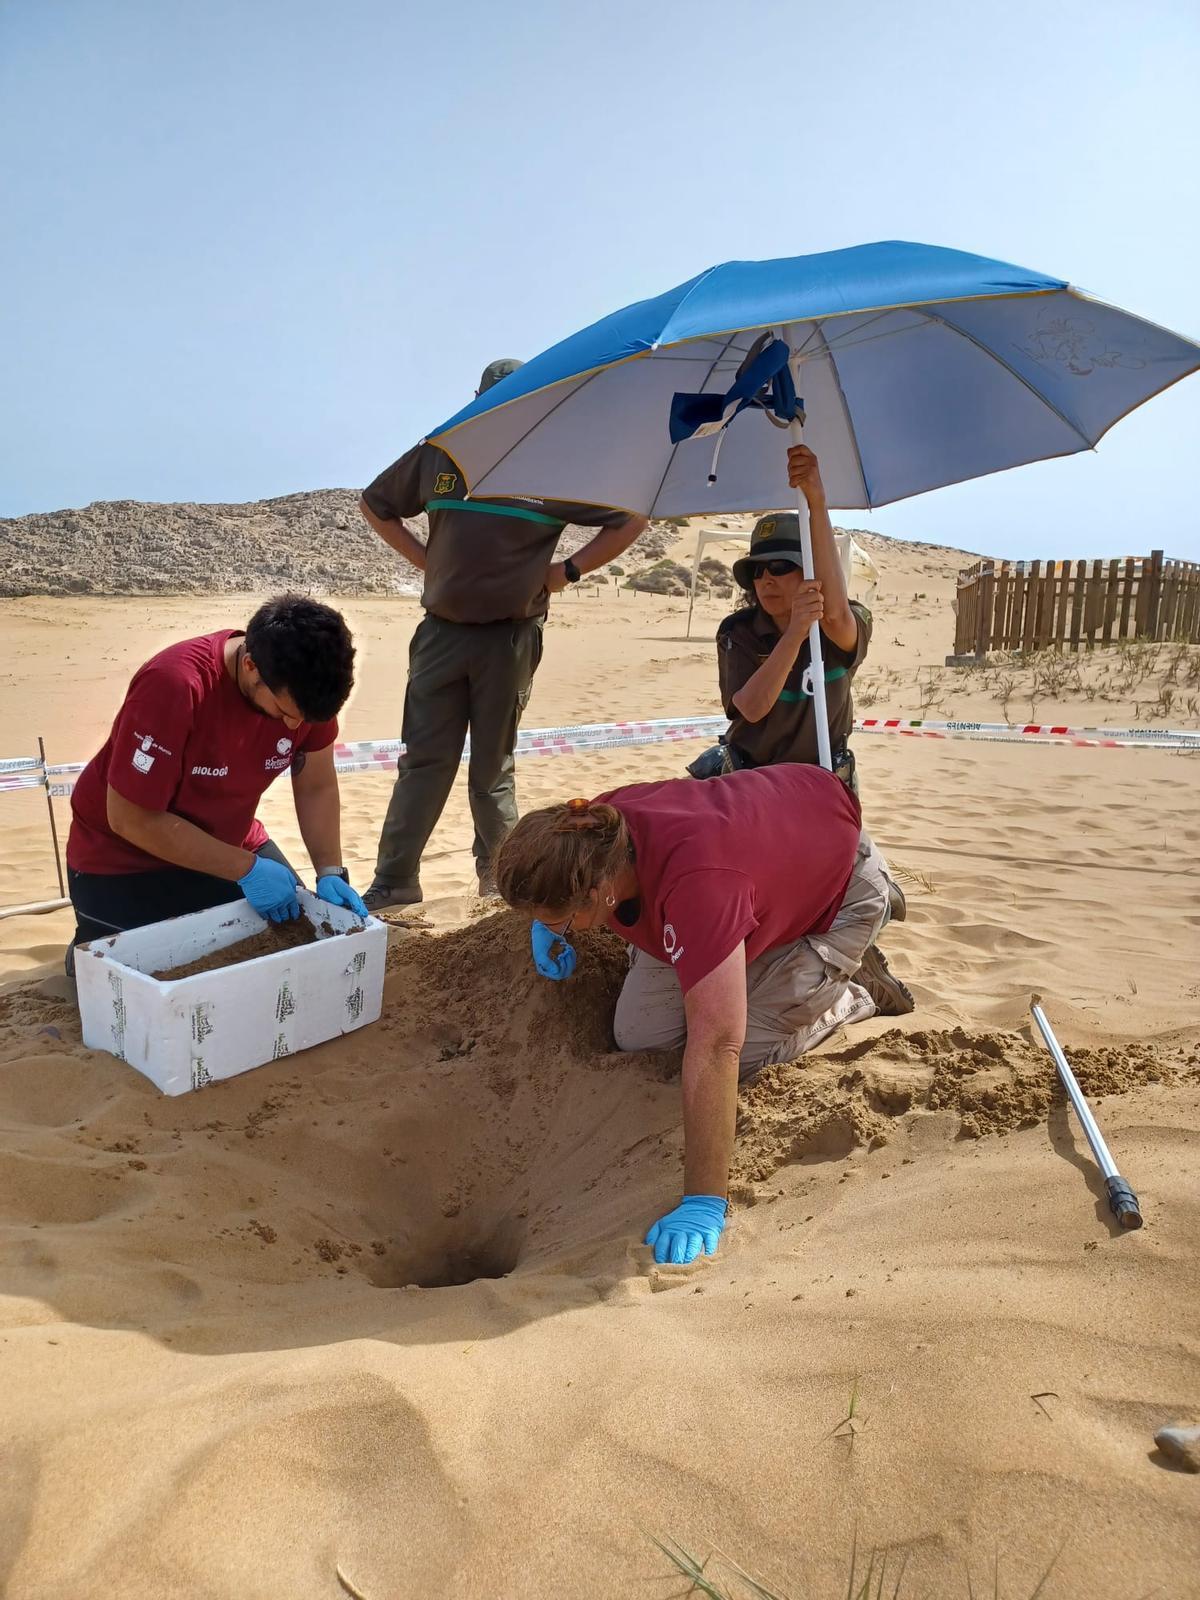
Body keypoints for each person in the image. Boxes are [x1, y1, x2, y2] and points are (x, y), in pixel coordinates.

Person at [493, 764, 912, 1265]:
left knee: (748, 1051)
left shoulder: (700, 889)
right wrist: (550, 925)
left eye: (560, 919)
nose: (555, 928)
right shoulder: (587, 828)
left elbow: (718, 1047)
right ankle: (764, 940)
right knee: (639, 1037)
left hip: (838, 885)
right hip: (760, 861)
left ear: (600, 891)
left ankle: (853, 990)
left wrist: (703, 1199)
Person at [358, 357, 648, 910]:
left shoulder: (556, 466)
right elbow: (375, 505)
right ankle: (395, 882)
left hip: (509, 640)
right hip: (441, 636)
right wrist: (427, 562)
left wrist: (568, 572)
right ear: (477, 398)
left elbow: (631, 518)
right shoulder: (438, 454)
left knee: (493, 770)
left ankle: (501, 881)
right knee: (423, 763)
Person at [698, 441, 913, 1015]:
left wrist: (817, 502)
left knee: (842, 890)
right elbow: (751, 706)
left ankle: (865, 963)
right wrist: (793, 632)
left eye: (783, 567)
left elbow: (839, 619)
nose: (767, 580)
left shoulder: (843, 626)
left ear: (811, 572)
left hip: (821, 785)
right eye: (758, 571)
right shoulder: (739, 632)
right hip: (751, 783)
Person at [66, 594, 366, 960]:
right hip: (123, 857)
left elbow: (315, 784)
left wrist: (329, 870)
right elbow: (131, 818)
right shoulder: (174, 686)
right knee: (141, 961)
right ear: (251, 666)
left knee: (302, 938)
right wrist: (247, 870)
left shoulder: (306, 693)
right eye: (285, 713)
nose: (294, 726)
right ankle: (90, 938)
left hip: (228, 841)